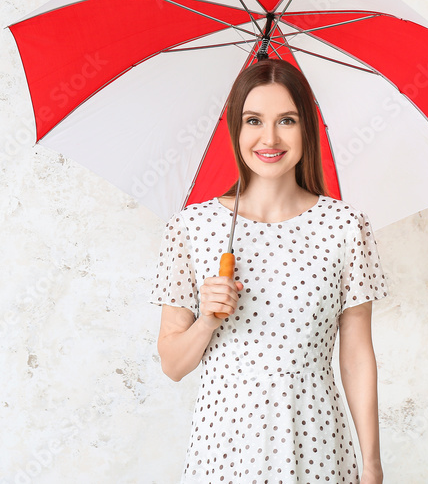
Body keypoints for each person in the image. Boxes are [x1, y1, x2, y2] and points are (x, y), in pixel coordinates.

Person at [149, 58, 388, 484]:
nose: (270, 137)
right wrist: (206, 320)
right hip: (224, 446)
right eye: (254, 120)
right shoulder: (191, 228)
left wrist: (371, 463)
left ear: (306, 129)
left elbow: (355, 357)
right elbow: (172, 364)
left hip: (316, 443)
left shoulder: (346, 227)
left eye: (287, 120)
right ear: (236, 129)